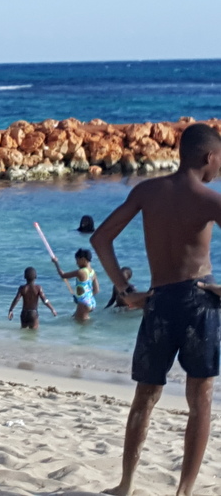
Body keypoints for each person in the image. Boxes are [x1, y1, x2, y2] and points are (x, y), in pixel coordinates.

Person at [90, 123, 221, 496]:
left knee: (145, 398)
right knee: (201, 400)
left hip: (159, 302)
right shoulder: (210, 199)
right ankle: (183, 492)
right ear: (208, 156)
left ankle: (126, 485)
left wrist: (127, 290)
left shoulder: (148, 191)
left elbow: (101, 239)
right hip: (199, 303)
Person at [52, 248, 100, 321]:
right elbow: (96, 290)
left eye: (77, 260)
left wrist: (56, 263)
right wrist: (84, 297)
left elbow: (63, 275)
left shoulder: (81, 272)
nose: (76, 263)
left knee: (80, 326)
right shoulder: (93, 272)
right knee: (81, 322)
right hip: (91, 302)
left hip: (84, 303)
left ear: (83, 259)